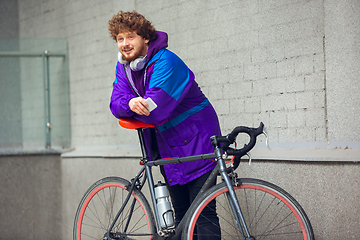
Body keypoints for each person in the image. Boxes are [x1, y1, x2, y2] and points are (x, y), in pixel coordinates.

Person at [108, 11, 221, 239]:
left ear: (146, 38)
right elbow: (115, 103)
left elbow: (154, 111)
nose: (125, 44)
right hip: (167, 145)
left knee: (204, 213)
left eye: (130, 37)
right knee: (180, 215)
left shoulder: (167, 62)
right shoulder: (125, 68)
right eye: (120, 39)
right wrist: (131, 101)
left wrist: (133, 106)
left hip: (197, 141)